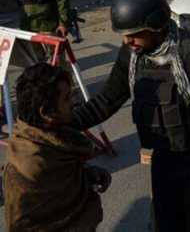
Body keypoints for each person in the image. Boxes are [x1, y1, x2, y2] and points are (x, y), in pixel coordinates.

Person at [70, 0, 190, 232]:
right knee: (166, 220)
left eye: (134, 34)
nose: (127, 41)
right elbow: (106, 101)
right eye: (124, 35)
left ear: (156, 24)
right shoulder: (132, 55)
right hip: (164, 153)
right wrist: (62, 123)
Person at [3, 63, 110, 232]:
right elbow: (20, 225)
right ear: (46, 112)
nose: (73, 103)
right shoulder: (27, 168)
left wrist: (87, 175)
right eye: (66, 98)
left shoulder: (54, 138)